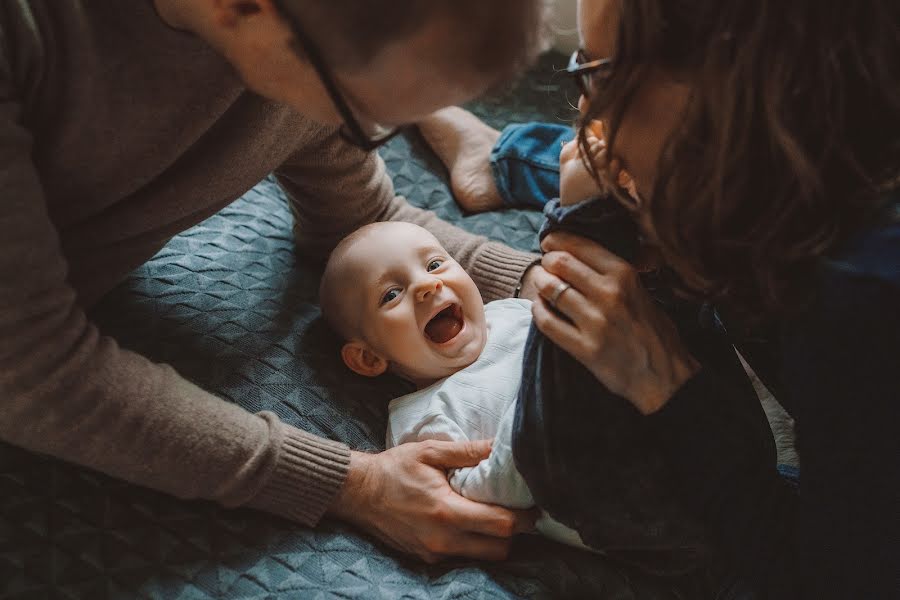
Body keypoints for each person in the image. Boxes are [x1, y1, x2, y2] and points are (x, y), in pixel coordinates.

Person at [0, 0, 554, 565]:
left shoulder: (305, 41)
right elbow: (28, 368)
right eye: (365, 107)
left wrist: (542, 282)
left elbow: (364, 220)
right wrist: (350, 483)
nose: (364, 134)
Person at [420, 0, 900, 597]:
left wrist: (669, 387)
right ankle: (504, 155)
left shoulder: (858, 303)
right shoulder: (842, 116)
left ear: (734, 80)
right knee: (634, 180)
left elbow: (818, 578)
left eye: (598, 74)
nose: (586, 113)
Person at [318, 220, 705, 570]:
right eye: (391, 295)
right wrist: (538, 403)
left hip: (672, 410)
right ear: (369, 358)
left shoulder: (509, 312)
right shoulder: (422, 419)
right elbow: (471, 501)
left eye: (435, 265)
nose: (426, 285)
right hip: (627, 503)